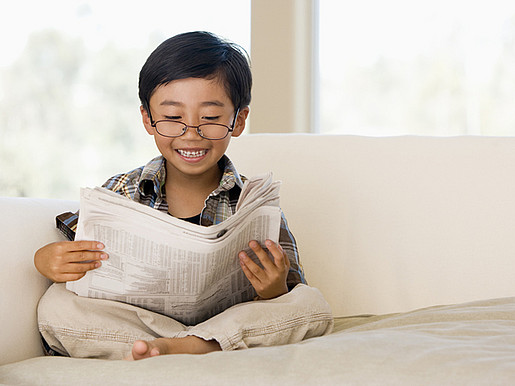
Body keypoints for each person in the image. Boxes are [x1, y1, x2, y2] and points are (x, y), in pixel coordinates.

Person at [34, 31, 333, 360]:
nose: (191, 133)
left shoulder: (254, 204)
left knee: (310, 305)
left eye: (210, 118)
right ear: (148, 118)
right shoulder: (122, 191)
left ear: (238, 120)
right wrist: (47, 260)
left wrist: (273, 289)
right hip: (144, 326)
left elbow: (290, 293)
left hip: (226, 325)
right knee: (56, 305)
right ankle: (174, 348)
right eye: (173, 118)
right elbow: (81, 255)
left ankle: (188, 347)